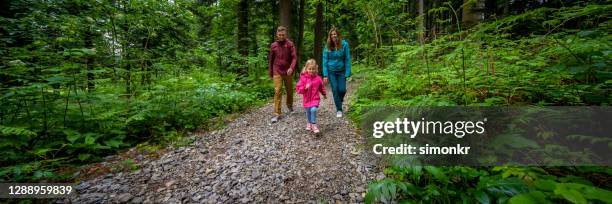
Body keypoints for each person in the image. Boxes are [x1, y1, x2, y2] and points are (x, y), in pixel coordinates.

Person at [268, 26, 297, 123]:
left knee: (289, 90)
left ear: (286, 34)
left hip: (288, 71)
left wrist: (291, 68)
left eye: (283, 35)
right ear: (277, 34)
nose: (281, 36)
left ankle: (290, 106)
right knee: (278, 90)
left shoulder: (290, 44)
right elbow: (271, 60)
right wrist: (270, 72)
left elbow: (294, 58)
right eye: (279, 35)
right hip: (277, 70)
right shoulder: (273, 45)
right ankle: (277, 113)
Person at [322, 26, 351, 118]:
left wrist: (347, 72)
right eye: (331, 35)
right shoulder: (327, 46)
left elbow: (347, 59)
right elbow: (325, 61)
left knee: (342, 90)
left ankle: (340, 100)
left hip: (341, 71)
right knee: (335, 90)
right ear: (330, 36)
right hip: (331, 72)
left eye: (335, 34)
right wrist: (325, 75)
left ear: (338, 35)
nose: (333, 36)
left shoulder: (344, 45)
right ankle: (339, 109)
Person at [296, 59, 327, 133]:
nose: (311, 70)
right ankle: (309, 123)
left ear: (316, 69)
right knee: (308, 112)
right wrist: (304, 88)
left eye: (313, 69)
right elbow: (298, 89)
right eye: (310, 69)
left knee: (313, 110)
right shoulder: (303, 78)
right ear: (306, 69)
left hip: (315, 99)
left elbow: (321, 87)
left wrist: (324, 94)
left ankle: (314, 124)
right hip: (306, 99)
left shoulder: (318, 79)